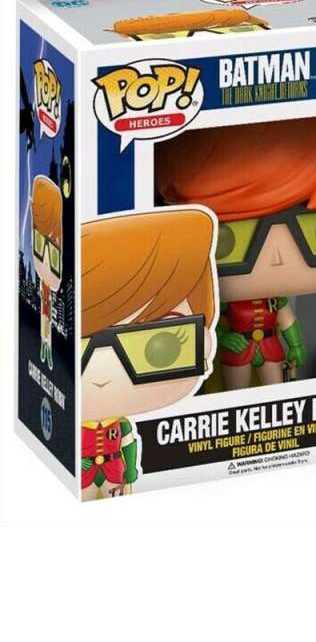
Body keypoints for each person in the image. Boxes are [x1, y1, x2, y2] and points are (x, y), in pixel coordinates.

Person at [156, 114, 316, 390]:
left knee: (276, 386)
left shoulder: (276, 302)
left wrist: (296, 346)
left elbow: (287, 320)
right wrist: (222, 338)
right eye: (227, 239)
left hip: (271, 346)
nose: (277, 258)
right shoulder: (222, 304)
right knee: (236, 390)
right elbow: (207, 325)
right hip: (237, 349)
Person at [80, 208, 217, 499]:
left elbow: (128, 443)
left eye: (163, 344)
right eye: (81, 347)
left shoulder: (121, 425)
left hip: (116, 474)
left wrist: (130, 471)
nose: (105, 372)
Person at [31, 175, 62, 370]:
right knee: (45, 321)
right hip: (45, 301)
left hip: (47, 302)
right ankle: (45, 344)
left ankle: (47, 345)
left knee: (47, 321)